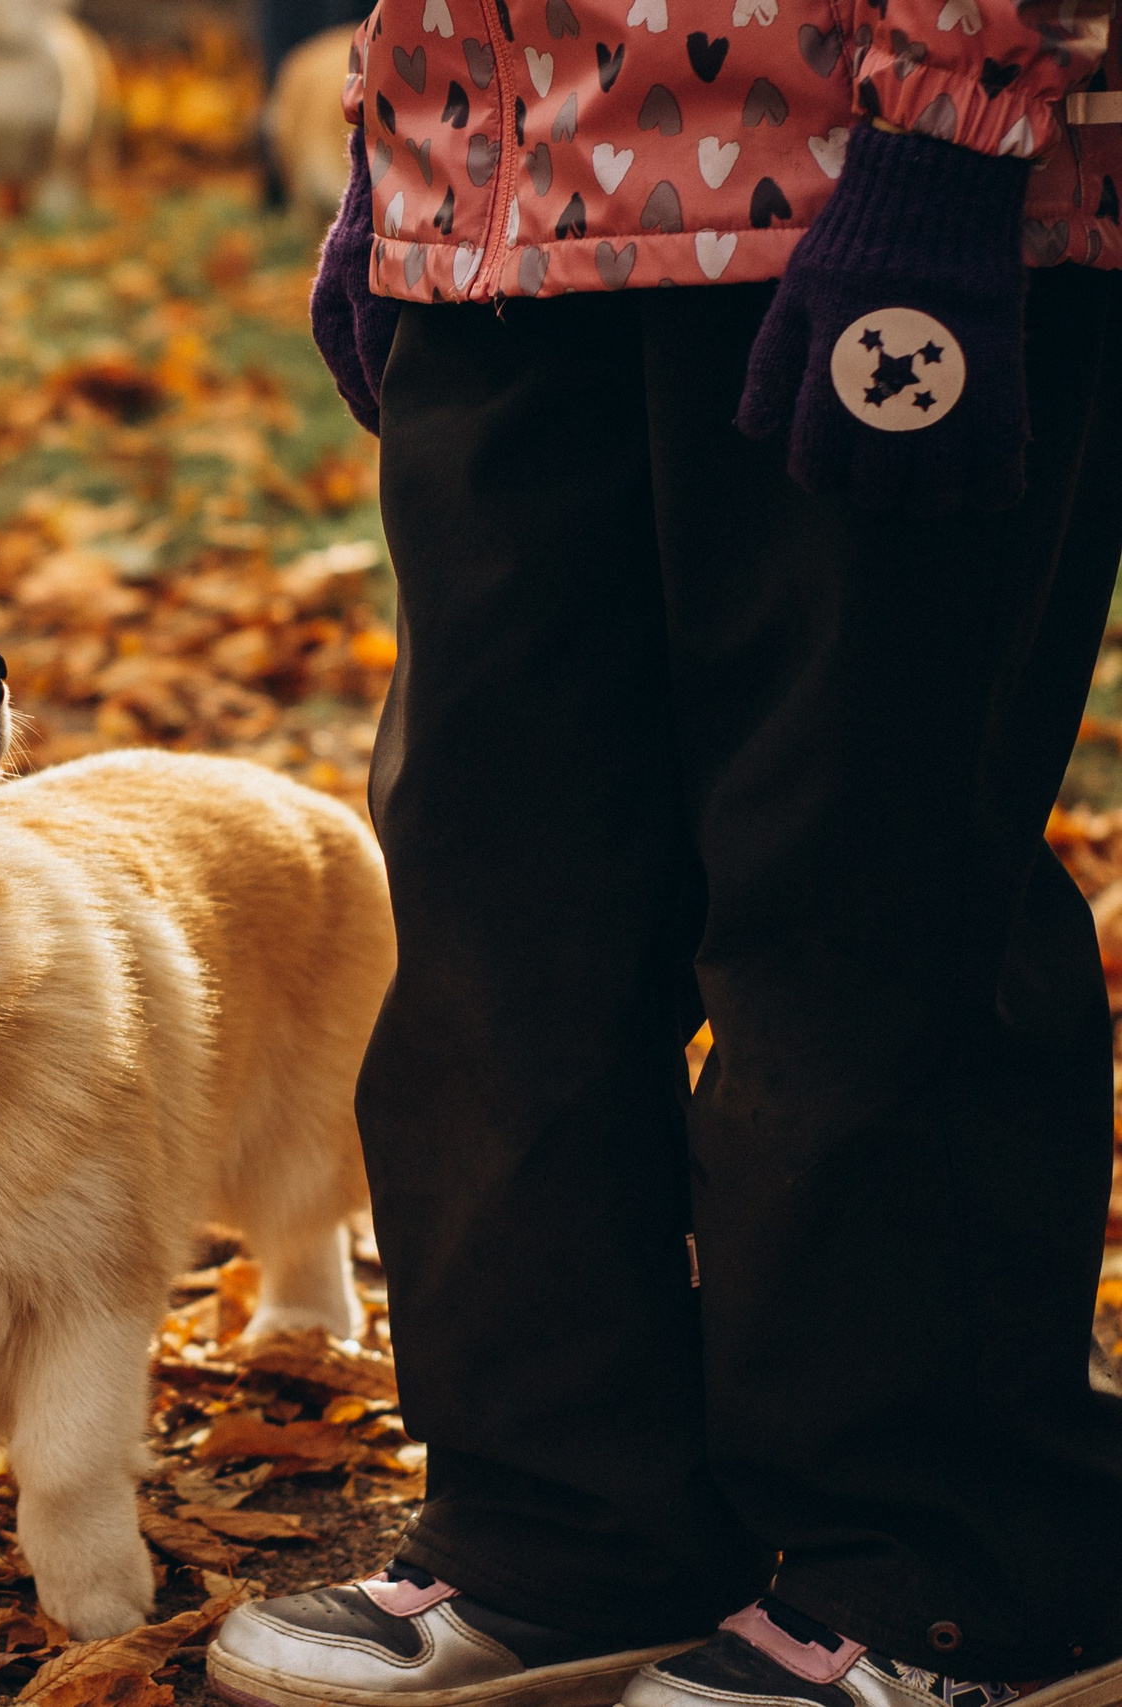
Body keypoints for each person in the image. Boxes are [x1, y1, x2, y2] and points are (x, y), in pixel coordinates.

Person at [202, 0, 1122, 1699]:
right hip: (494, 216)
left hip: (869, 180)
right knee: (499, 909)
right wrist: (394, 154)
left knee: (862, 892)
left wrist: (948, 129)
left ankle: (953, 1567)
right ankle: (566, 1528)